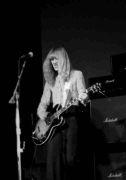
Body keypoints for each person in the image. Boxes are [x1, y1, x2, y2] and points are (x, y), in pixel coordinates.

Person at [34, 46, 88, 180]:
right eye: (51, 61)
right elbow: (41, 107)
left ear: (63, 59)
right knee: (53, 159)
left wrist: (84, 97)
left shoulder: (77, 75)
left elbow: (83, 95)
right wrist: (47, 119)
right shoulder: (50, 82)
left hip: (71, 118)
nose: (54, 63)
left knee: (70, 158)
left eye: (56, 60)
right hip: (55, 123)